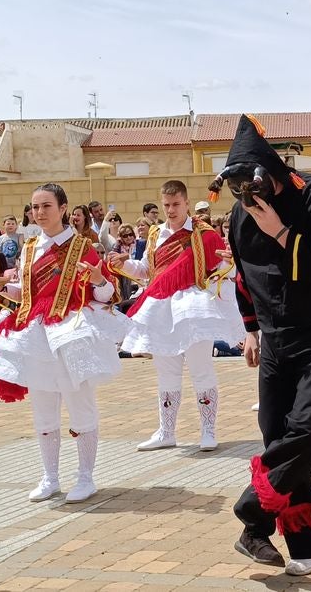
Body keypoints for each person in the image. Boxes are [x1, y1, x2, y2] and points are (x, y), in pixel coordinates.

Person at [214, 115, 311, 576]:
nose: (249, 199)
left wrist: (278, 229)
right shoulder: (238, 214)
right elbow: (245, 275)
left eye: (255, 185)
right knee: (277, 434)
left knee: (307, 429)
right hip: (276, 337)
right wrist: (252, 328)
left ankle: (253, 515)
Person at [0, 183, 130, 504]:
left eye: (46, 206)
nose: (39, 213)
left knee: (80, 404)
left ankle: (86, 477)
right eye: (34, 207)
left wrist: (98, 280)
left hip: (72, 330)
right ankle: (49, 476)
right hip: (37, 333)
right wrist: (2, 287)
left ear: (63, 209)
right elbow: (27, 295)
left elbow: (107, 296)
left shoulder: (83, 246)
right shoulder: (30, 247)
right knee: (44, 407)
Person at [107, 180, 242, 452]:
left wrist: (230, 261)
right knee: (166, 371)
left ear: (187, 203)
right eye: (166, 205)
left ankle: (208, 430)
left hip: (193, 307)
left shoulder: (203, 234)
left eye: (176, 204)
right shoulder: (156, 235)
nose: (170, 210)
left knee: (200, 367)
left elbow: (223, 269)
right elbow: (147, 270)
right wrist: (125, 264)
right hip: (160, 307)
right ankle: (166, 431)